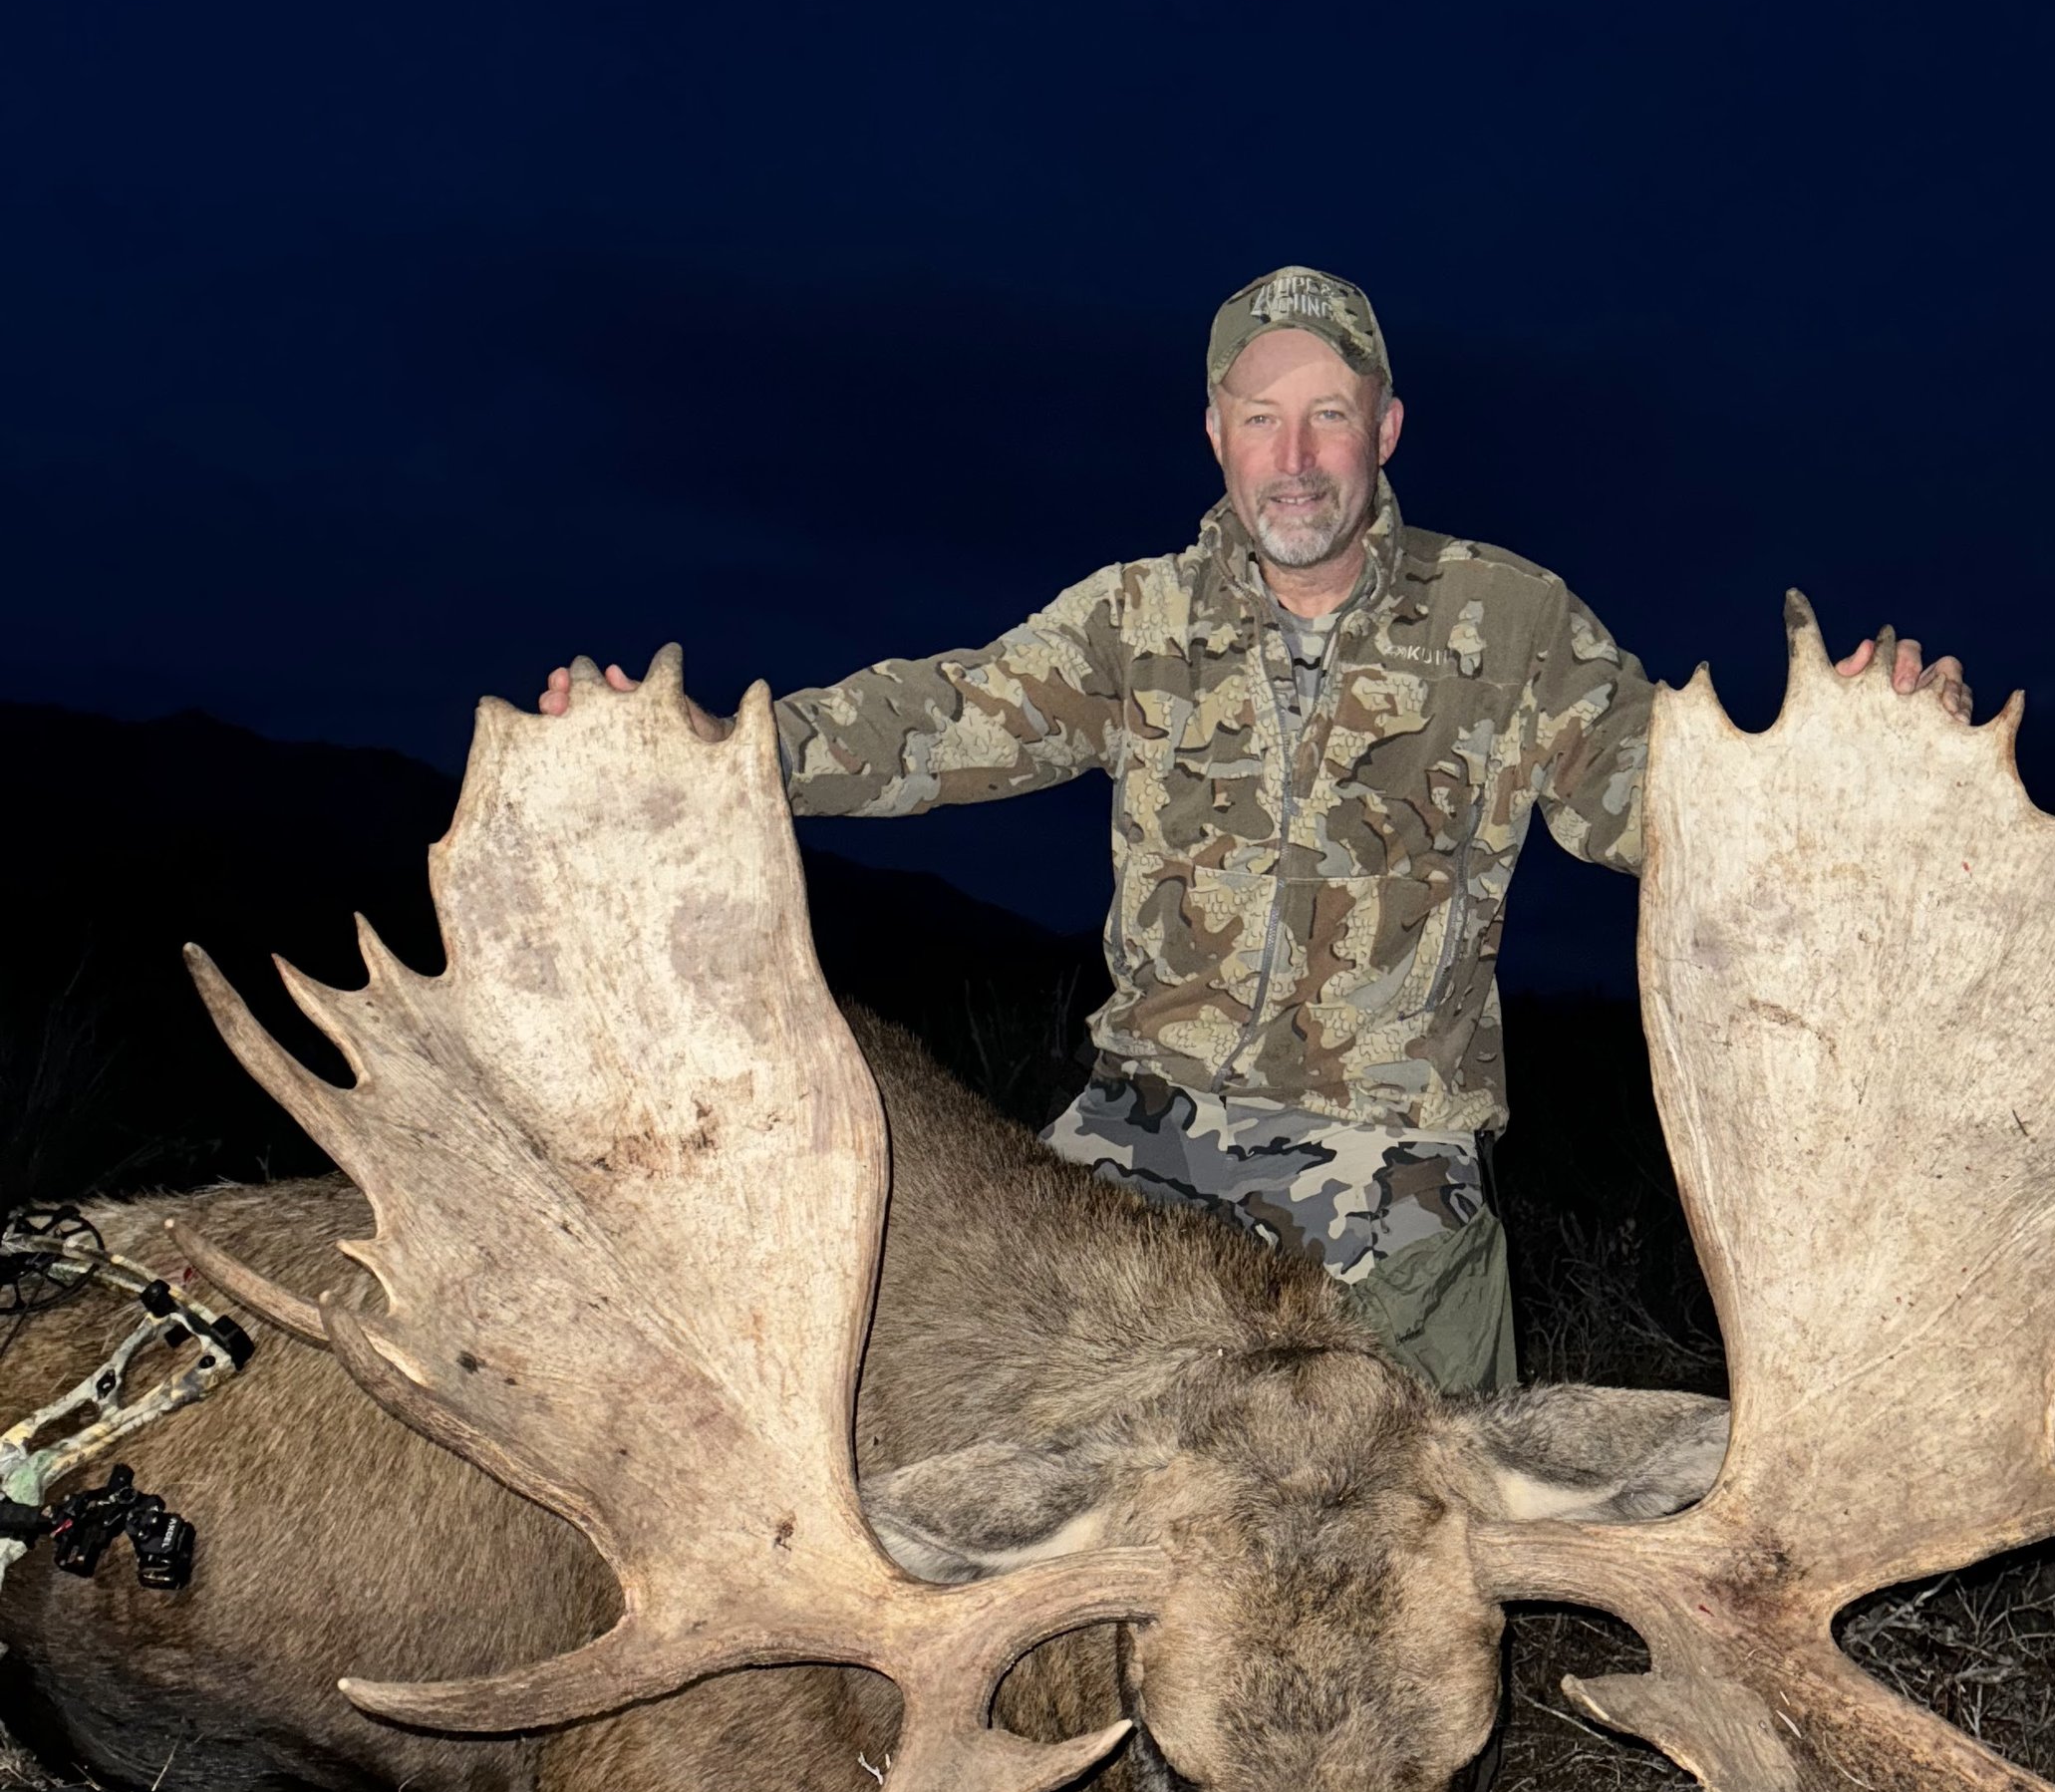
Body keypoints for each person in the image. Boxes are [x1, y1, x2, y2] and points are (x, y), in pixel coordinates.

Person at [541, 265, 1967, 1396]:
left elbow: (1656, 803)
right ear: (1216, 435)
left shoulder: (1512, 621)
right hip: (1139, 1135)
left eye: (1329, 414)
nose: (1295, 457)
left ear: (1386, 430)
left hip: (1388, 1160)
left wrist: (1850, 772)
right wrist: (704, 754)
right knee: (948, 1433)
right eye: (1260, 417)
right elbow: (944, 713)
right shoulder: (1135, 617)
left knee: (1443, 1561)